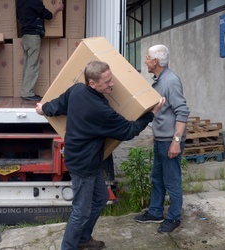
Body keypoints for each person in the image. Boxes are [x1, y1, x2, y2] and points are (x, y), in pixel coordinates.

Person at [35, 60, 165, 250]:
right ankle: (68, 247)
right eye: (107, 82)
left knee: (101, 197)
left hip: (87, 159)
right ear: (92, 84)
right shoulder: (99, 110)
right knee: (81, 211)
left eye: (111, 79)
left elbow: (58, 105)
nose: (112, 84)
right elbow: (128, 131)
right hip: (84, 164)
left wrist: (43, 108)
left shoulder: (77, 90)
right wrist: (151, 114)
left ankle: (83, 239)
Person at [134, 45, 190, 233]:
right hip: (161, 140)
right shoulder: (160, 80)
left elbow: (182, 111)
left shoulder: (170, 81)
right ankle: (156, 212)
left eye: (148, 57)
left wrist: (176, 141)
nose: (146, 60)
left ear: (155, 61)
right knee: (157, 178)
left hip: (169, 141)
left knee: (172, 181)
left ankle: (174, 217)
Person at [17, 0, 64, 101]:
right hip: (33, 36)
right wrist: (57, 8)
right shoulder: (34, 2)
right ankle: (27, 93)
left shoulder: (20, 3)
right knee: (32, 65)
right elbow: (48, 15)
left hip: (25, 36)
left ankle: (26, 91)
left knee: (28, 65)